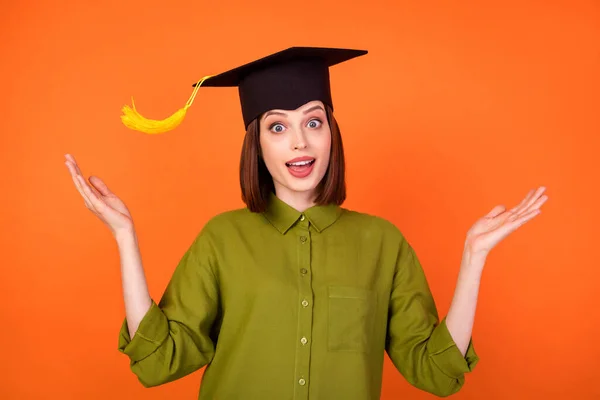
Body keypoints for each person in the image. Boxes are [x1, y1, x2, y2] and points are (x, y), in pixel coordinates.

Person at [64, 47, 548, 399]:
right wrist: (125, 237)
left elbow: (436, 372)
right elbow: (157, 362)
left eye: (313, 122)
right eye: (278, 126)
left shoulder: (382, 243)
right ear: (258, 144)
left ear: (330, 134)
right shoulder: (222, 239)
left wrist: (473, 258)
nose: (300, 142)